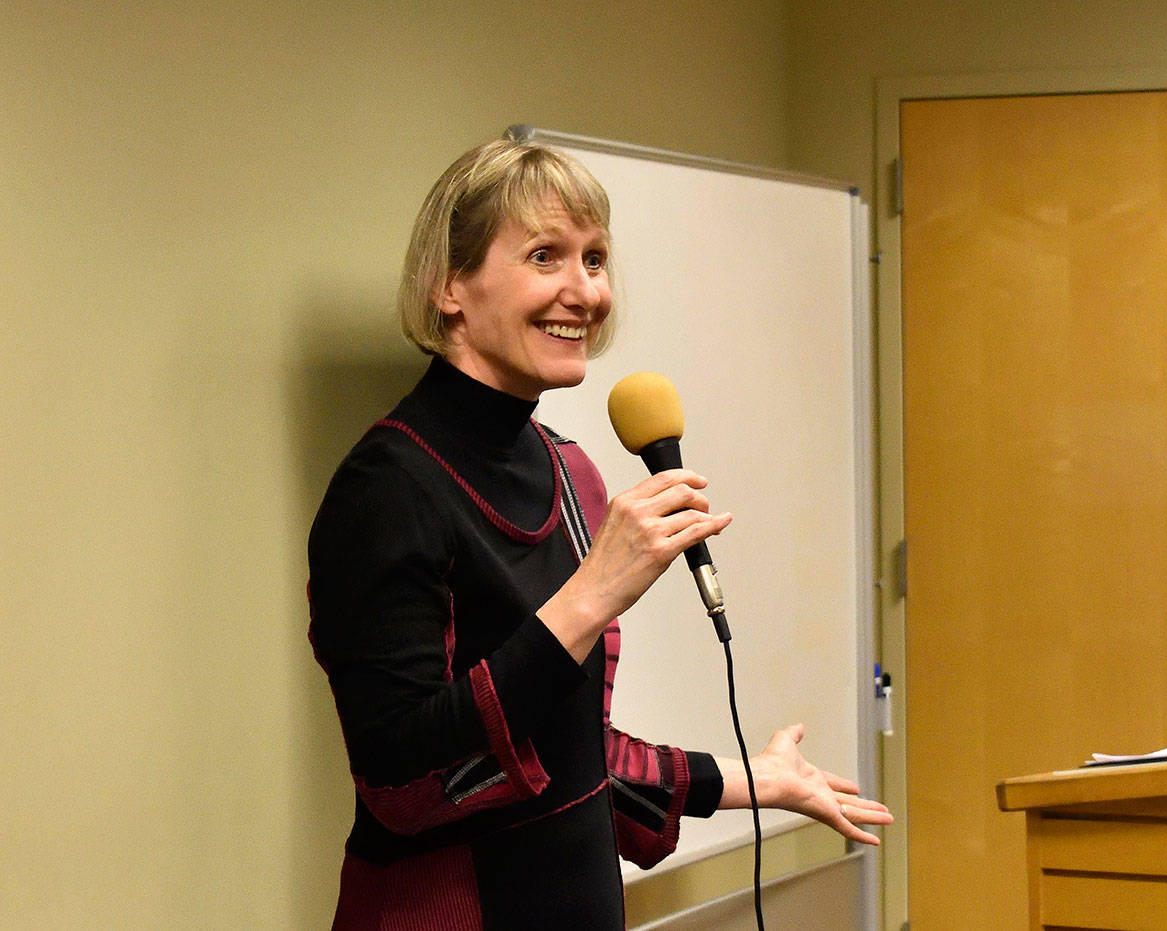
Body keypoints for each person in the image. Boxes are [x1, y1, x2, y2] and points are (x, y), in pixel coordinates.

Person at [307, 135, 892, 929]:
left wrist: (754, 779)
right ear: (450, 285)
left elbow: (569, 752)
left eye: (595, 258)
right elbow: (404, 780)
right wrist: (590, 594)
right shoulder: (387, 488)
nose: (584, 290)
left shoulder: (571, 471)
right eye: (545, 256)